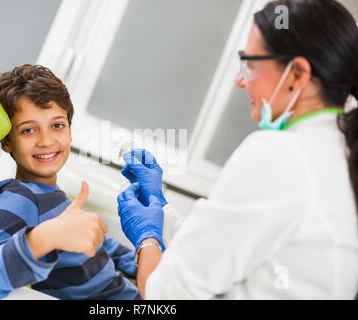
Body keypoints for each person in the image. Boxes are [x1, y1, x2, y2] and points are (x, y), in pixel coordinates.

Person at [117, 0, 358, 299]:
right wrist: (159, 208)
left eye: (251, 63)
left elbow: (165, 295)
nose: (240, 80)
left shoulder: (282, 155)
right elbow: (223, 249)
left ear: (297, 74)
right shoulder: (337, 155)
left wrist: (147, 238)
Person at [0, 65, 140, 300]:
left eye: (57, 125)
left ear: (69, 131)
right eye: (28, 130)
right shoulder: (21, 200)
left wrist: (145, 260)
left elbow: (98, 247)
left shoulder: (47, 194)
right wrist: (43, 239)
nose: (46, 141)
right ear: (7, 142)